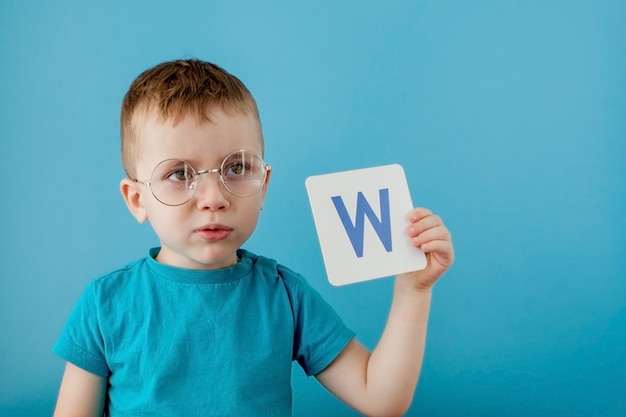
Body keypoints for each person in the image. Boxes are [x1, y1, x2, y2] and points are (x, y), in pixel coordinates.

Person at [52, 59, 454, 417]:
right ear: (137, 199)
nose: (214, 199)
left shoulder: (285, 295)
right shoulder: (105, 305)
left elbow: (381, 399)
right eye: (179, 174)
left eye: (236, 167)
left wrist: (413, 290)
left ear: (263, 185)